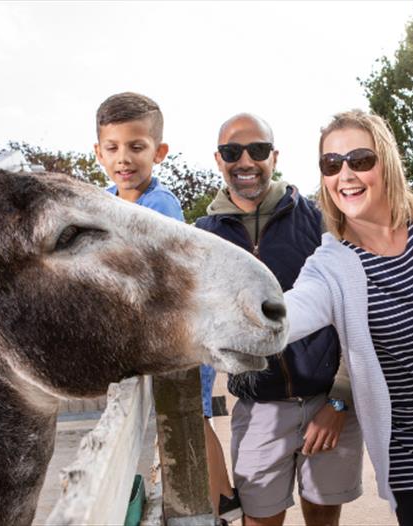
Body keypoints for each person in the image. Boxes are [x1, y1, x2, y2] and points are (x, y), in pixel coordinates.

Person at [284, 109, 413, 526]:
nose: (345, 174)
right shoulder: (330, 264)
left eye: (360, 160)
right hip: (406, 443)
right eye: (332, 163)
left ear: (387, 162)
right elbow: (288, 312)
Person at [195, 113, 362, 526]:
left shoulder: (320, 221)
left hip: (328, 402)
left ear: (275, 156)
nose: (246, 161)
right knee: (260, 520)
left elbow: (354, 313)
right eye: (233, 152)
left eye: (258, 150)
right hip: (258, 408)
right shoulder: (202, 236)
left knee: (324, 520)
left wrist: (340, 398)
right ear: (219, 159)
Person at [93, 92, 239, 522]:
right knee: (184, 420)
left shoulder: (161, 206)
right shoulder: (104, 200)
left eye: (136, 147)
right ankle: (223, 495)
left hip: (178, 337)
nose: (125, 158)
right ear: (98, 152)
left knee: (191, 418)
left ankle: (216, 500)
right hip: (153, 340)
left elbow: (148, 276)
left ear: (158, 152)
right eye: (114, 148)